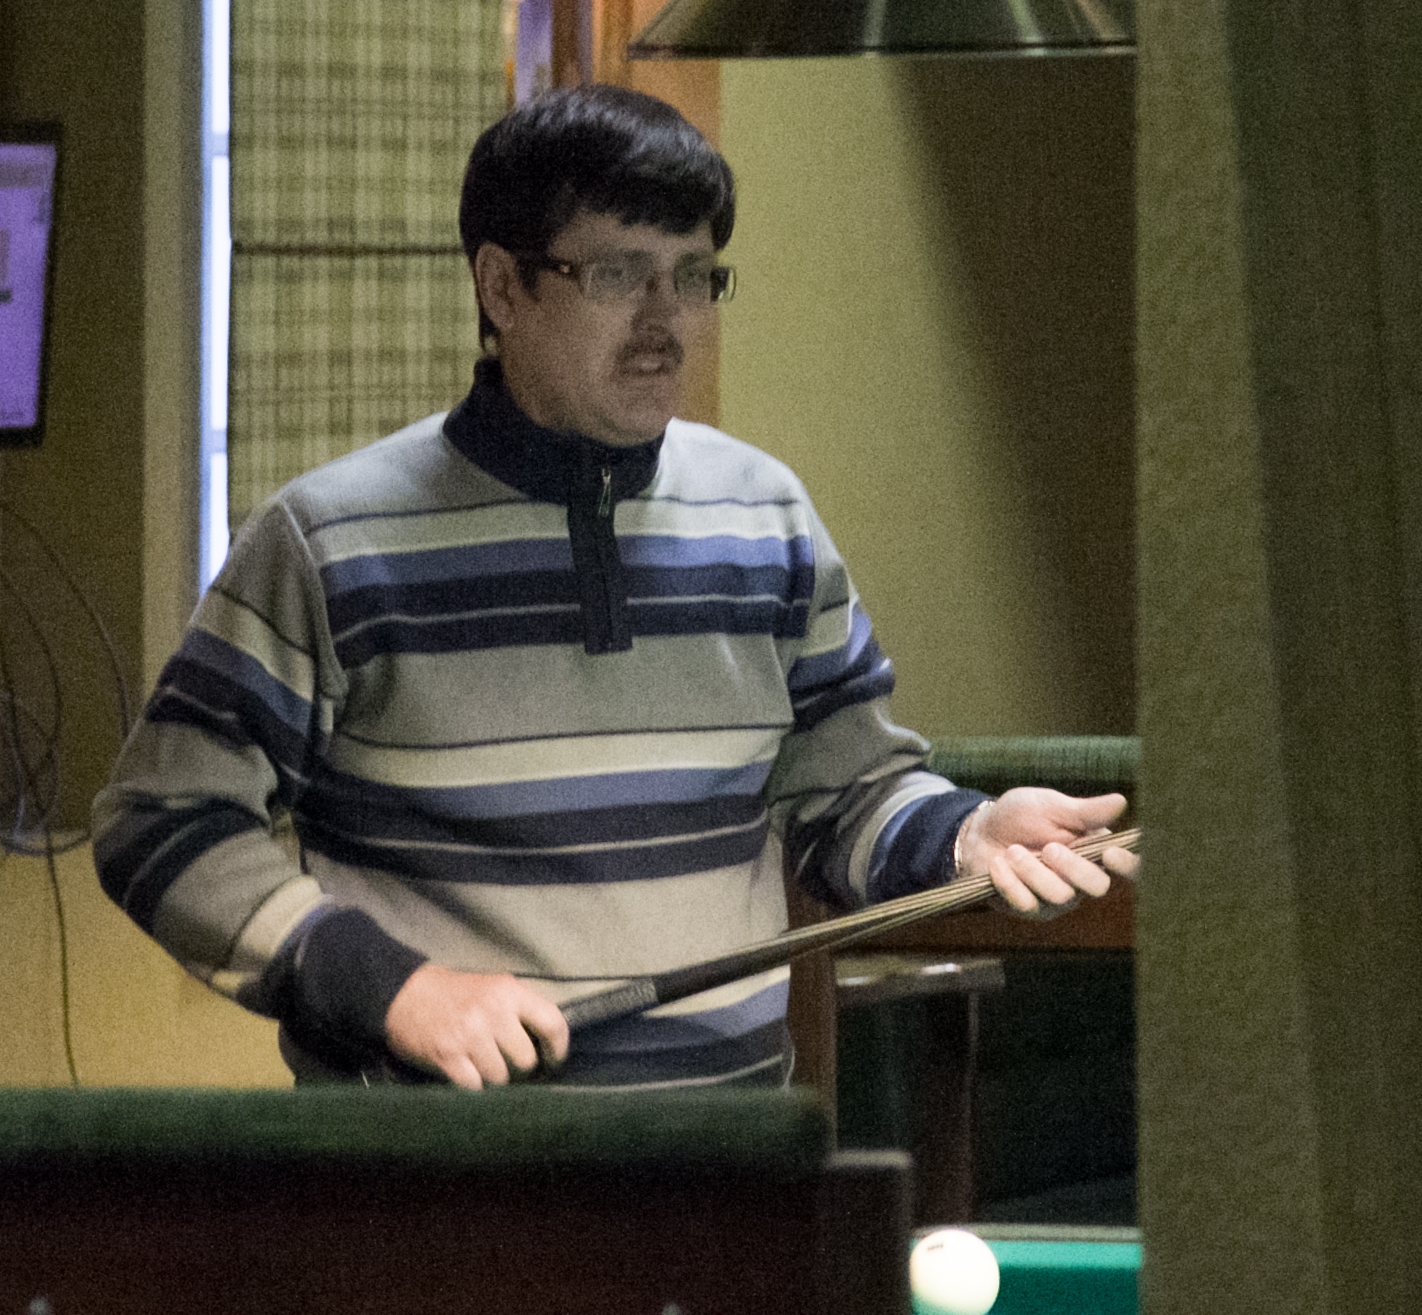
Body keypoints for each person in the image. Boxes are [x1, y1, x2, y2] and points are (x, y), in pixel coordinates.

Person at [92, 84, 1137, 1089]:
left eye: (693, 275)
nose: (664, 319)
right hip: (433, 1168)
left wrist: (961, 834)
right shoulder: (328, 540)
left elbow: (846, 794)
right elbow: (161, 821)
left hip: (725, 1157)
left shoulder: (764, 514)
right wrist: (393, 986)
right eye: (617, 274)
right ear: (502, 288)